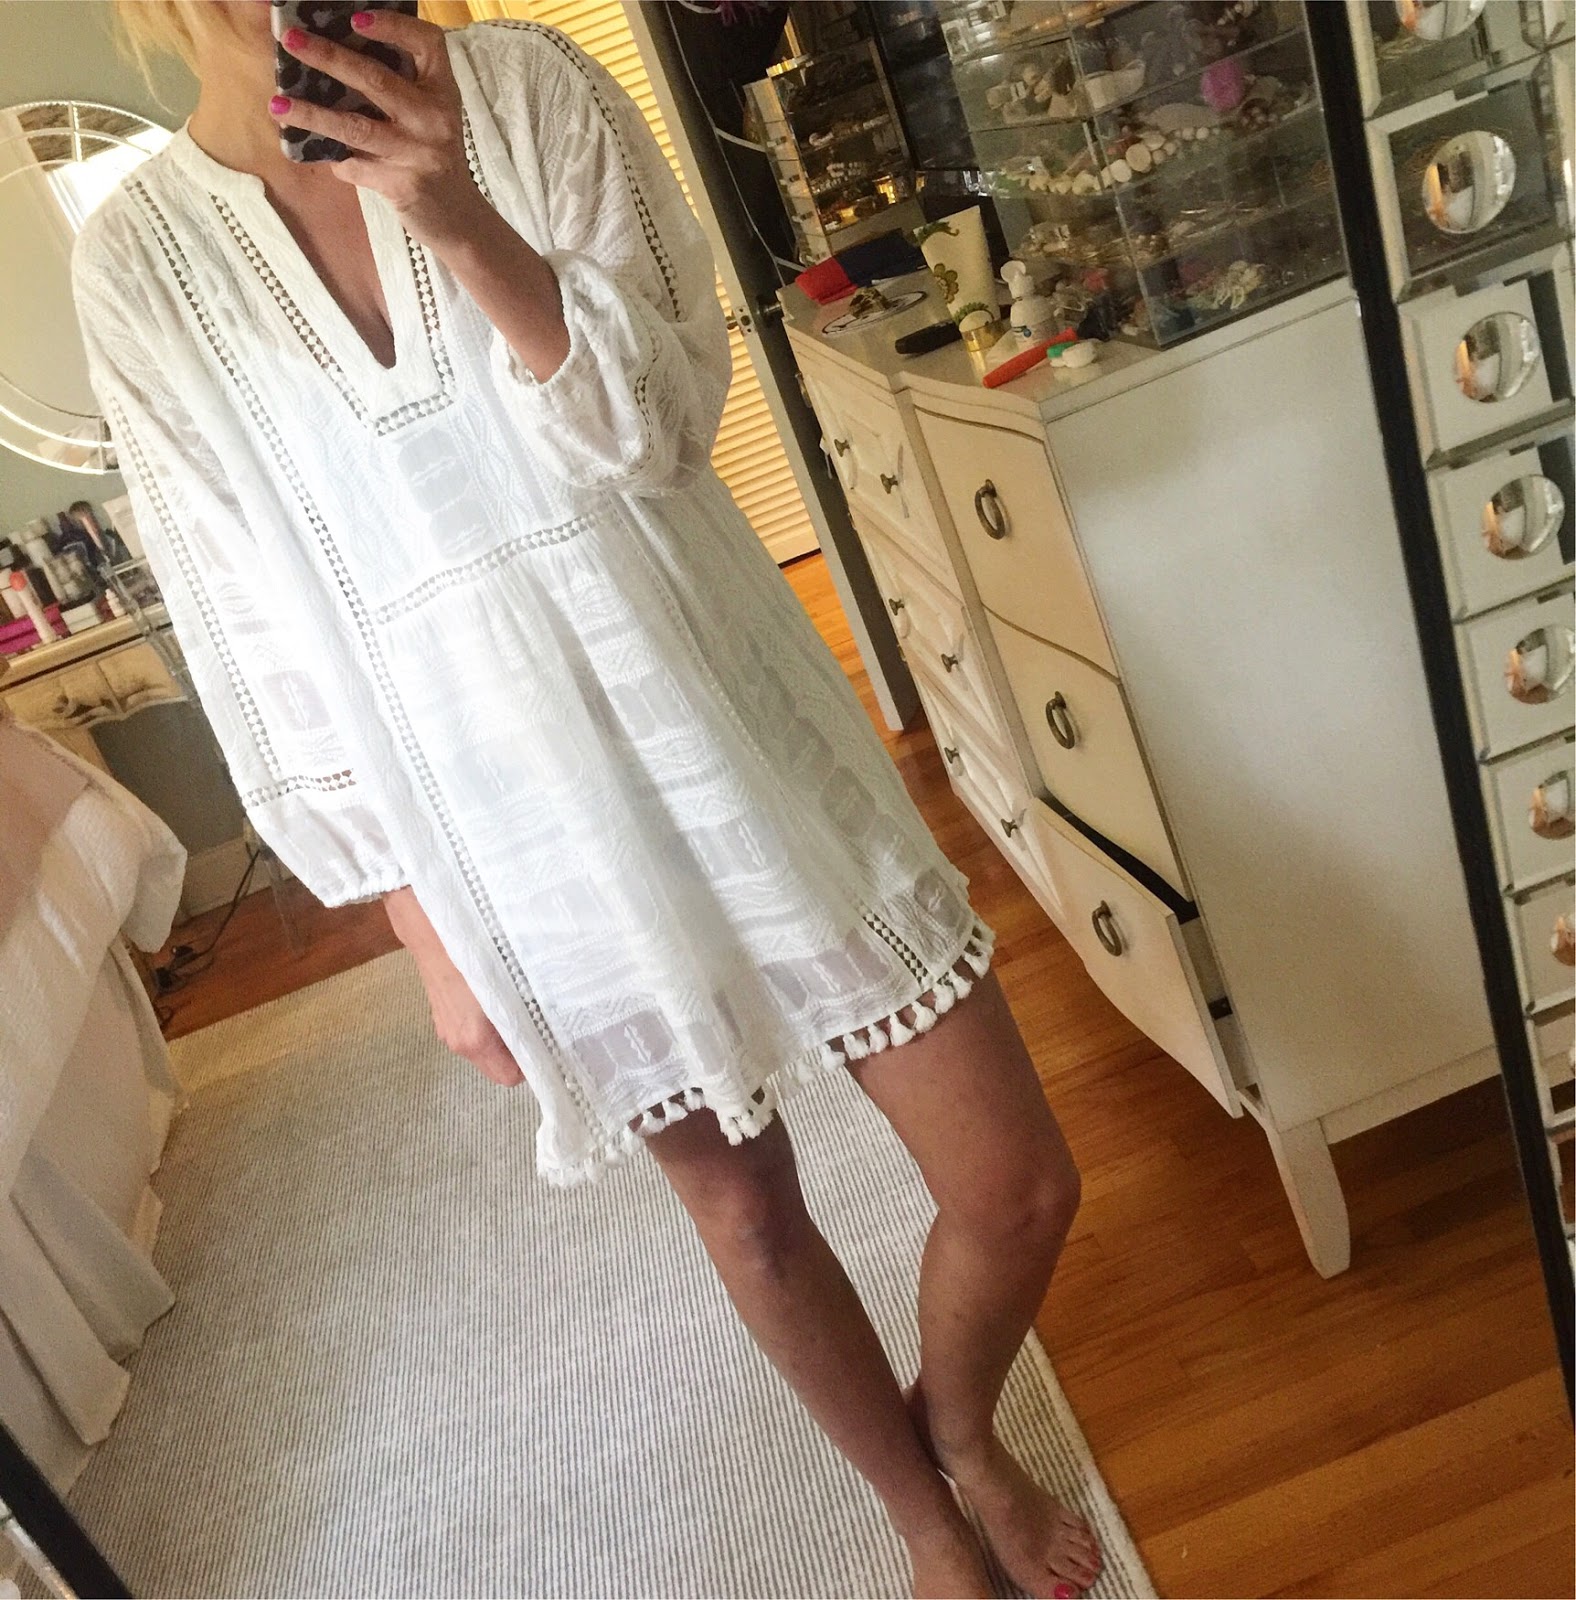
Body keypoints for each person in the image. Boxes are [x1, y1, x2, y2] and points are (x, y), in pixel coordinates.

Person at [74, 5, 1101, 1595]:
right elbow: (244, 622)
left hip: (732, 723)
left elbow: (663, 430)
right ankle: (918, 1515)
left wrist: (457, 214)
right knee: (744, 1214)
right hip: (509, 824)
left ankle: (960, 1429)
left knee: (1016, 1182)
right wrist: (422, 925)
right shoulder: (138, 260)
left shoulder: (532, 91)